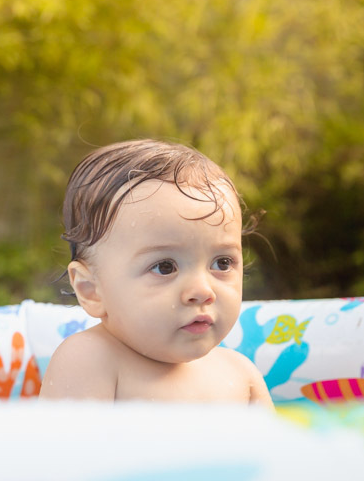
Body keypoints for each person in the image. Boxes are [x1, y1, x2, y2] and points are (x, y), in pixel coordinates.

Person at [40, 139, 273, 406]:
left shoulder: (241, 376)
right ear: (91, 290)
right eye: (165, 267)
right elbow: (67, 435)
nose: (202, 291)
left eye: (222, 263)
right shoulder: (89, 360)